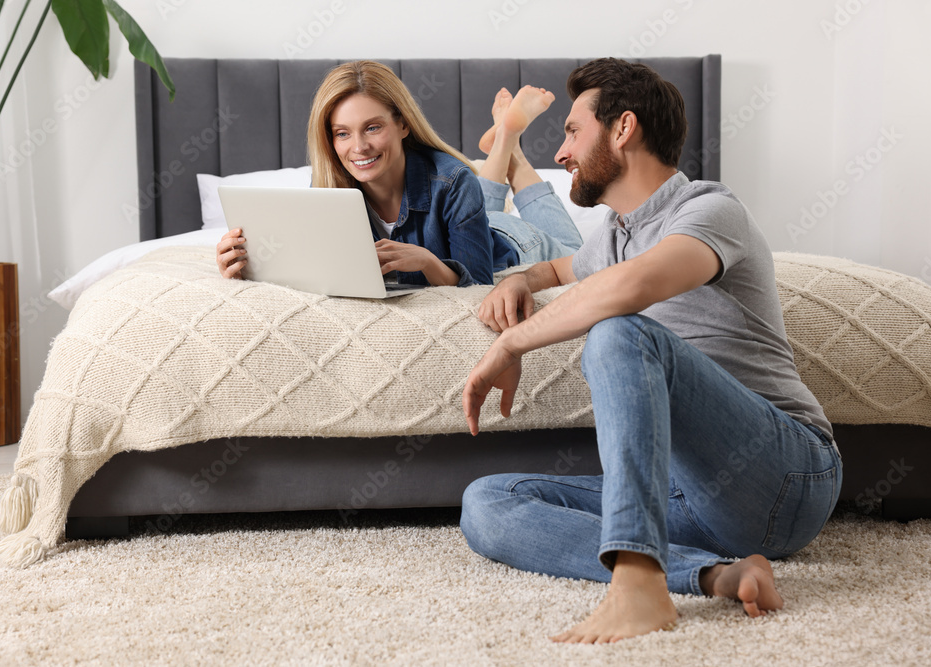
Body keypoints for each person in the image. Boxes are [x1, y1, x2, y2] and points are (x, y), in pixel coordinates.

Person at [459, 58, 842, 643]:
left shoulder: (711, 210)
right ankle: (710, 575)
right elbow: (566, 266)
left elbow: (632, 287)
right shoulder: (614, 235)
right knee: (487, 501)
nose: (561, 155)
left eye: (570, 132)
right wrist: (523, 280)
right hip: (687, 498)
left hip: (785, 475)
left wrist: (514, 340)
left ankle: (635, 586)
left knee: (619, 329)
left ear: (623, 128)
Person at [215, 60, 581, 285]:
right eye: (342, 133)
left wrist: (428, 264)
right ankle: (506, 140)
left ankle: (512, 151)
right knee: (478, 203)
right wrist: (249, 261)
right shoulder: (330, 185)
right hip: (471, 216)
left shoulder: (452, 180)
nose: (358, 148)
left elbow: (481, 282)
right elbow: (313, 266)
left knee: (580, 256)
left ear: (403, 125)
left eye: (373, 128)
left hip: (514, 242)